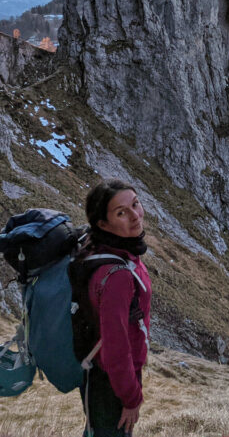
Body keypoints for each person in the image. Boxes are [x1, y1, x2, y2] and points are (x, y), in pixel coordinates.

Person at [77, 180, 152, 437]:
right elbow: (115, 348)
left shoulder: (110, 249)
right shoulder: (117, 275)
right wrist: (131, 398)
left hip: (103, 376)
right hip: (111, 383)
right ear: (103, 224)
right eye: (121, 212)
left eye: (135, 204)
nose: (135, 216)